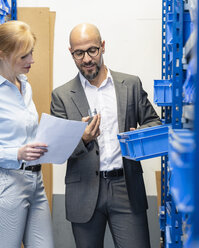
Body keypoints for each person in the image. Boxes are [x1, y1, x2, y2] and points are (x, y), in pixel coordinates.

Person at [50, 23, 161, 248]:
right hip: (83, 191)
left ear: (102, 46)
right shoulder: (61, 96)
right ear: (71, 53)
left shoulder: (129, 85)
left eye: (92, 50)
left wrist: (140, 134)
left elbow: (154, 123)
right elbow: (58, 151)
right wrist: (83, 139)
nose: (87, 58)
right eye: (79, 53)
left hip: (126, 187)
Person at [0, 20, 54, 248]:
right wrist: (17, 153)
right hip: (6, 185)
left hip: (36, 181)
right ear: (3, 55)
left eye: (31, 53)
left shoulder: (25, 86)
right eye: (24, 56)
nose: (31, 61)